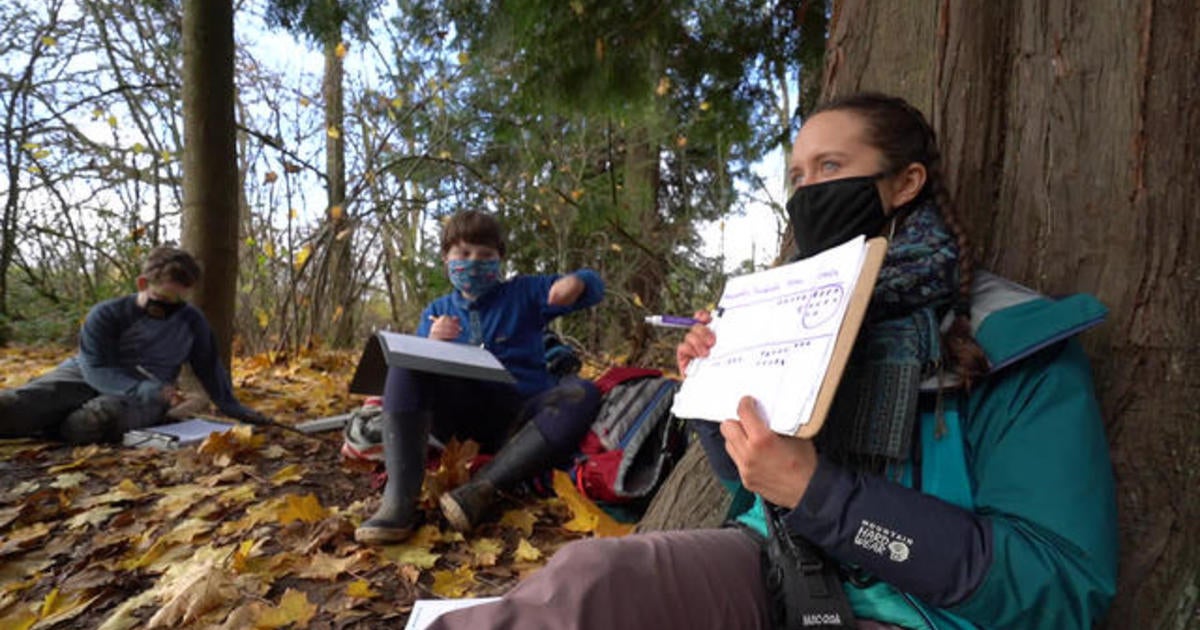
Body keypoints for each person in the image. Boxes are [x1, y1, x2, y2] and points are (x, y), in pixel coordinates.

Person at [424, 93, 1118, 629]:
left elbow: (1057, 584)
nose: (807, 190)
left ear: (905, 183)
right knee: (589, 583)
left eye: (831, 168)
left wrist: (820, 492)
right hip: (782, 566)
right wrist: (718, 402)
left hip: (930, 612)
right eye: (796, 174)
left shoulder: (1014, 340)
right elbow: (755, 489)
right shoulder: (789, 314)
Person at [354, 210, 605, 544]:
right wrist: (431, 343)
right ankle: (399, 502)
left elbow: (589, 289)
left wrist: (580, 280)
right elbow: (415, 381)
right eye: (464, 253)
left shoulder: (524, 292)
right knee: (406, 359)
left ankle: (482, 489)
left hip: (520, 415)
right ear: (446, 259)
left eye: (485, 255)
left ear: (500, 258)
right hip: (457, 424)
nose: (474, 262)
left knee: (582, 392)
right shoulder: (436, 310)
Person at [0, 246, 269, 444]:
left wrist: (234, 408)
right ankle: (43, 418)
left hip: (148, 396)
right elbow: (96, 367)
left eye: (178, 300)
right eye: (163, 298)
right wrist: (142, 387)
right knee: (16, 405)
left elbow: (210, 367)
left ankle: (51, 426)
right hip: (86, 375)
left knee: (90, 423)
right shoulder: (106, 314)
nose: (169, 308)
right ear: (143, 284)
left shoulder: (192, 322)